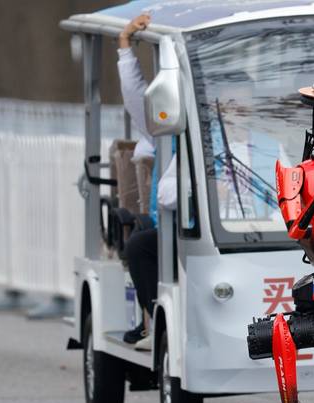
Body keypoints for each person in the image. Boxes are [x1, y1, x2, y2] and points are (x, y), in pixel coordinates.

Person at [117, 13, 176, 350]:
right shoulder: (166, 128)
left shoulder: (254, 141)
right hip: (174, 224)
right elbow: (135, 96)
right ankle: (153, 319)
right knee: (140, 243)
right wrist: (125, 45)